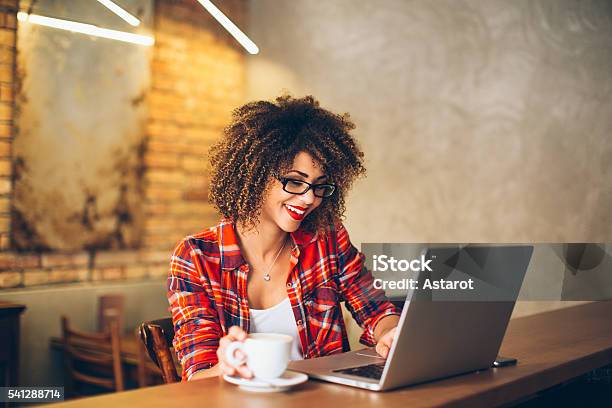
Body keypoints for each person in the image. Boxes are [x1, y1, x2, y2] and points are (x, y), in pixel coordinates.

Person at [167, 95, 400, 381]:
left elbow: (376, 309)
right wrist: (227, 367)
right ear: (255, 174)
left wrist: (390, 333)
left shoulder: (326, 239)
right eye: (295, 181)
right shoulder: (197, 257)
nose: (308, 198)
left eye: (319, 186)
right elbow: (198, 376)